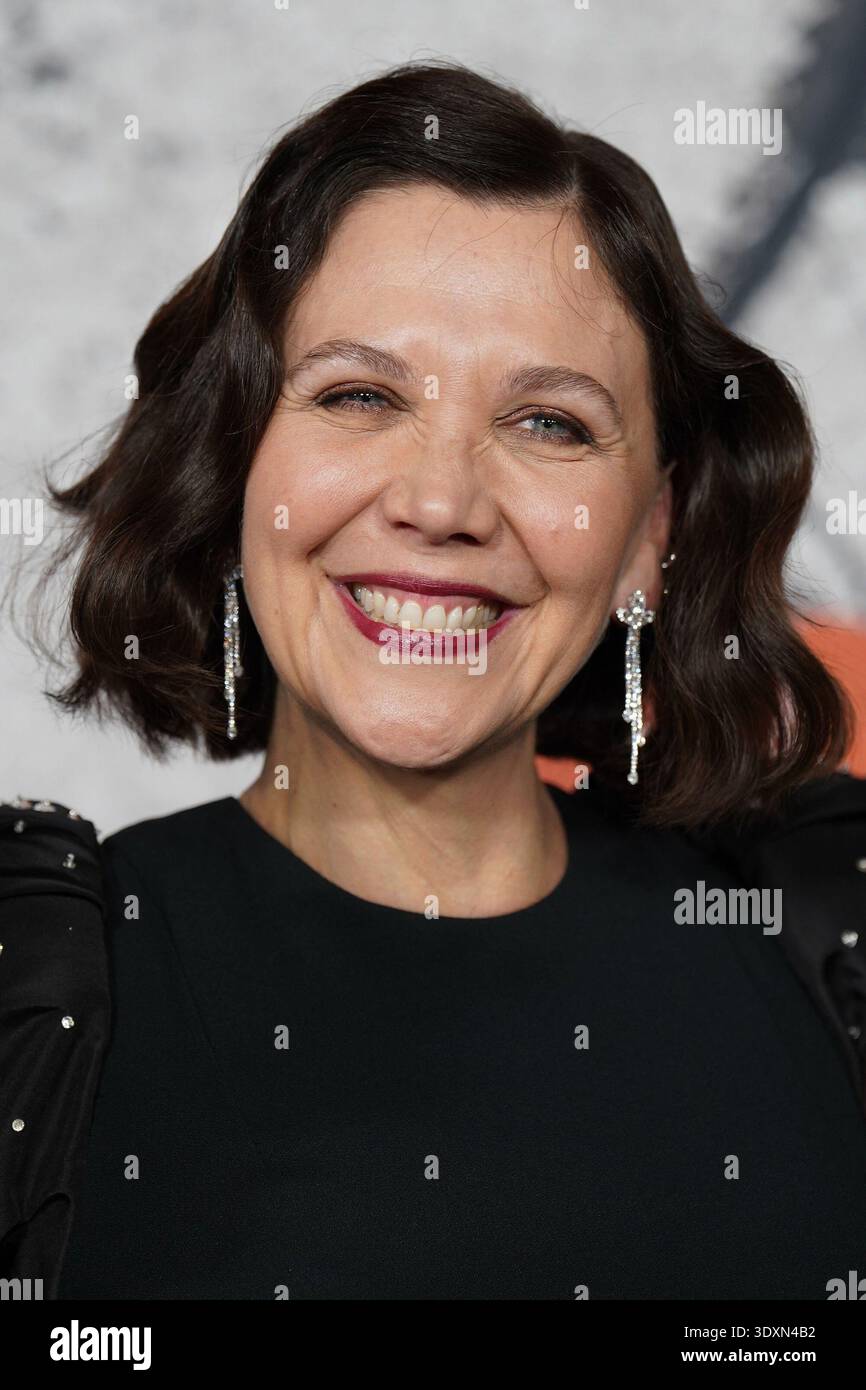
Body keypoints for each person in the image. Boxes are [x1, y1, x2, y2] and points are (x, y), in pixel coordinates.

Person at [2, 60, 866, 1302]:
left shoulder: (821, 927)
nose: (440, 502)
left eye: (549, 423)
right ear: (233, 467)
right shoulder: (35, 987)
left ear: (647, 536)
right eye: (358, 396)